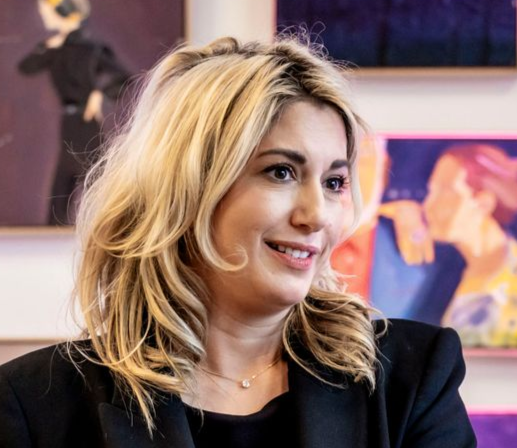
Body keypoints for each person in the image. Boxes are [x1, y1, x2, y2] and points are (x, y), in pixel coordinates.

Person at [0, 36, 475, 447]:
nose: (317, 216)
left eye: (334, 182)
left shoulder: (411, 379)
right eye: (281, 172)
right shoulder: (32, 405)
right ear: (187, 188)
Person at [18, 0, 129, 225]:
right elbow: (26, 67)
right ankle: (55, 233)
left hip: (85, 123)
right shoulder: (55, 49)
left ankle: (109, 229)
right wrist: (47, 46)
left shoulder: (91, 49)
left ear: (63, 12)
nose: (44, 17)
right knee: (64, 189)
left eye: (46, 12)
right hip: (69, 124)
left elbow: (123, 78)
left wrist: (99, 94)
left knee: (92, 182)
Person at [423, 143, 517, 347]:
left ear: (483, 203)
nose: (429, 205)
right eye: (431, 191)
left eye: (446, 192)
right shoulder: (448, 275)